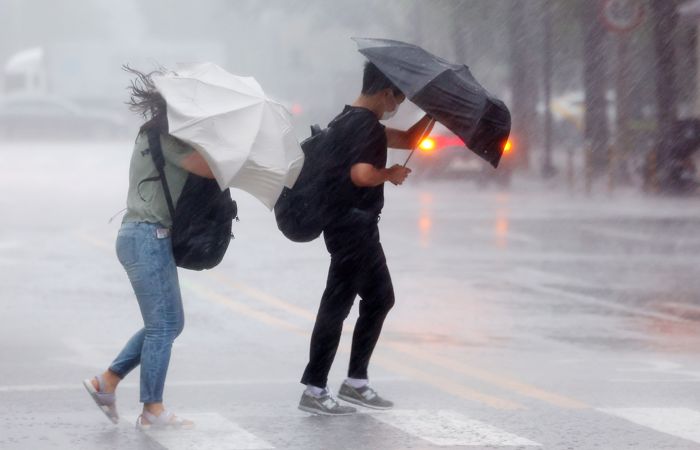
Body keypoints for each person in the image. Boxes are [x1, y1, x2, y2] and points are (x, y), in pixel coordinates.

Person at [298, 62, 434, 415]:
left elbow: (406, 139)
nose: (399, 104)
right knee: (339, 306)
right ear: (385, 92)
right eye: (398, 97)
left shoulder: (349, 120)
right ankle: (317, 387)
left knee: (377, 298)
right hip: (353, 229)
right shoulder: (366, 127)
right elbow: (360, 174)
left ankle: (354, 381)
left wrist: (432, 114)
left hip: (348, 226)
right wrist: (389, 174)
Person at [83, 67, 214, 429]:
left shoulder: (160, 132)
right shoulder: (166, 136)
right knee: (163, 326)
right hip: (146, 236)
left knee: (171, 323)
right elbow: (206, 168)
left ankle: (106, 382)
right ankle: (152, 410)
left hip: (145, 235)